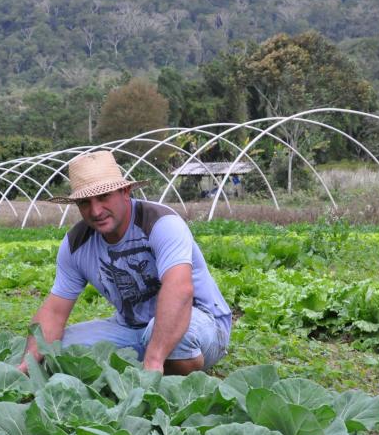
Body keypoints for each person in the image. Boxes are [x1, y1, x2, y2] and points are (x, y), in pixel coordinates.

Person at [18, 150, 231, 375]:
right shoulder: (76, 244)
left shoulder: (161, 223)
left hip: (200, 322)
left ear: (125, 191)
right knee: (59, 349)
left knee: (169, 339)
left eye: (103, 197)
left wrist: (153, 361)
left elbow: (180, 289)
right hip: (131, 329)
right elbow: (54, 311)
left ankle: (163, 370)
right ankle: (147, 359)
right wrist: (28, 364)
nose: (96, 211)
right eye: (85, 202)